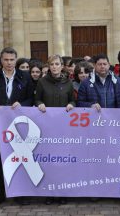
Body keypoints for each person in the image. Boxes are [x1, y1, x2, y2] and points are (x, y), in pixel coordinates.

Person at [0, 47, 34, 207]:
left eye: (12, 60)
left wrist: (22, 104)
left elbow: (31, 98)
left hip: (18, 127)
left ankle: (19, 193)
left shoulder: (24, 77)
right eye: (6, 60)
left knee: (19, 159)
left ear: (15, 60)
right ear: (1, 60)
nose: (9, 63)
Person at [34, 54, 75, 205]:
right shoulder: (42, 82)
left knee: (63, 161)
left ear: (62, 66)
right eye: (52, 64)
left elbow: (72, 100)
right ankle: (49, 192)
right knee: (49, 161)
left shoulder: (68, 83)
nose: (54, 67)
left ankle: (62, 191)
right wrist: (39, 104)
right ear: (49, 66)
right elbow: (37, 99)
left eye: (57, 64)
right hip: (47, 128)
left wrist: (72, 104)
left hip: (64, 129)